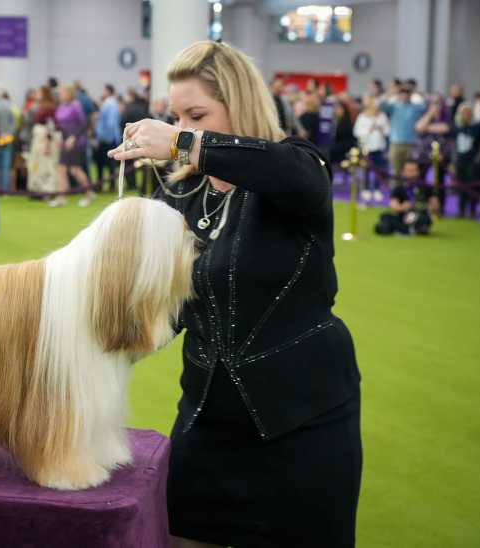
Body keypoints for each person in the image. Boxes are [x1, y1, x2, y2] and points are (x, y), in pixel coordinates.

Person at [110, 40, 361, 547]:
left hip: (305, 425)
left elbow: (288, 174)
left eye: (196, 114)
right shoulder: (178, 195)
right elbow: (157, 313)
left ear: (239, 103)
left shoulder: (297, 168)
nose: (181, 125)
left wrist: (182, 143)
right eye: (176, 115)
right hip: (206, 426)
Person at [52, 83, 94, 207]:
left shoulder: (75, 106)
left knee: (75, 170)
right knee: (61, 169)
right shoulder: (61, 106)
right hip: (65, 141)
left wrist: (73, 138)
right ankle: (61, 197)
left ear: (69, 93)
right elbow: (60, 125)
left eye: (62, 92)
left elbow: (83, 124)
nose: (60, 94)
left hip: (77, 142)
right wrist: (60, 137)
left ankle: (88, 194)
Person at [375, 159, 435, 235]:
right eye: (408, 170)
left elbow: (434, 206)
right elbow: (394, 206)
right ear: (403, 172)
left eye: (413, 170)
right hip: (403, 218)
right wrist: (404, 207)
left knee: (423, 219)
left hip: (419, 216)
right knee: (385, 217)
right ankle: (408, 230)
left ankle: (410, 229)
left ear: (418, 172)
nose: (411, 173)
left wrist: (424, 206)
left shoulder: (425, 187)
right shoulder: (399, 189)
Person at [381, 85, 427, 186]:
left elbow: (426, 106)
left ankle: (410, 192)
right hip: (396, 143)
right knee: (396, 170)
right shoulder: (394, 106)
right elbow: (382, 105)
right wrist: (391, 92)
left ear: (411, 94)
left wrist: (418, 93)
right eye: (402, 93)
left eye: (407, 93)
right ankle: (396, 193)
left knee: (411, 171)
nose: (405, 95)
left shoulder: (416, 107)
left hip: (411, 144)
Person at [414, 95, 452, 215]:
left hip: (441, 157)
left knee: (440, 183)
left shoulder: (446, 118)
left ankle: (440, 208)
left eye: (438, 103)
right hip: (423, 156)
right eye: (433, 103)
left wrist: (427, 128)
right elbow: (419, 127)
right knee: (422, 182)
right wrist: (430, 115)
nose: (435, 106)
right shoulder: (425, 116)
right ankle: (423, 207)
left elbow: (444, 128)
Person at [453, 103, 480, 218]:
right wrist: (454, 160)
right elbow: (453, 145)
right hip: (460, 162)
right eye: (463, 113)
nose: (466, 115)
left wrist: (478, 160)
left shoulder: (478, 127)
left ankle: (472, 210)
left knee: (473, 187)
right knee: (461, 187)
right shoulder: (457, 127)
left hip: (473, 163)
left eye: (468, 113)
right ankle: (461, 210)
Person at [353, 94, 390, 201]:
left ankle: (377, 188)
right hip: (366, 147)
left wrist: (381, 128)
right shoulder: (362, 116)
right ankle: (365, 189)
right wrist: (369, 129)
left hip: (379, 147)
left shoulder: (382, 116)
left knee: (379, 168)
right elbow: (356, 132)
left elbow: (387, 131)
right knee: (366, 169)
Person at [94, 83, 121, 190]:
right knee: (109, 164)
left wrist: (106, 137)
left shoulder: (110, 104)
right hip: (109, 137)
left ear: (108, 91)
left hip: (107, 138)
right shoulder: (111, 103)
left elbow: (111, 123)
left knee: (104, 163)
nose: (103, 92)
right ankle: (109, 185)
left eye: (104, 90)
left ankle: (106, 185)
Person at [0, 85, 15, 193]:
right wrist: (9, 133)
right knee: (5, 166)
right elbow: (13, 123)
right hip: (8, 137)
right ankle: (5, 190)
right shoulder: (9, 105)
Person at [329, 98, 357, 164]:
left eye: (338, 109)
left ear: (343, 110)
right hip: (337, 146)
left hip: (345, 147)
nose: (336, 111)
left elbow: (347, 138)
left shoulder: (346, 122)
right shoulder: (335, 120)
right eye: (335, 109)